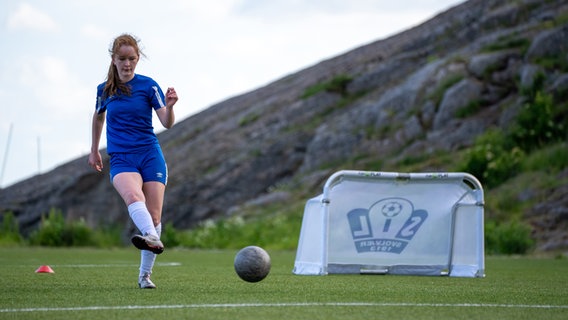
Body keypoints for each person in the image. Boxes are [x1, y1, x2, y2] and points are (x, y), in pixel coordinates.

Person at [88, 33, 178, 289]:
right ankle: (151, 237)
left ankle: (144, 276)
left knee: (155, 216)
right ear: (113, 59)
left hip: (150, 155)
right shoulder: (104, 90)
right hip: (121, 157)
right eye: (122, 59)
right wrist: (94, 149)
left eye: (132, 59)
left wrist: (170, 106)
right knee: (132, 197)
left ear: (138, 59)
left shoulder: (149, 86)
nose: (127, 64)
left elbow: (166, 123)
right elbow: (98, 118)